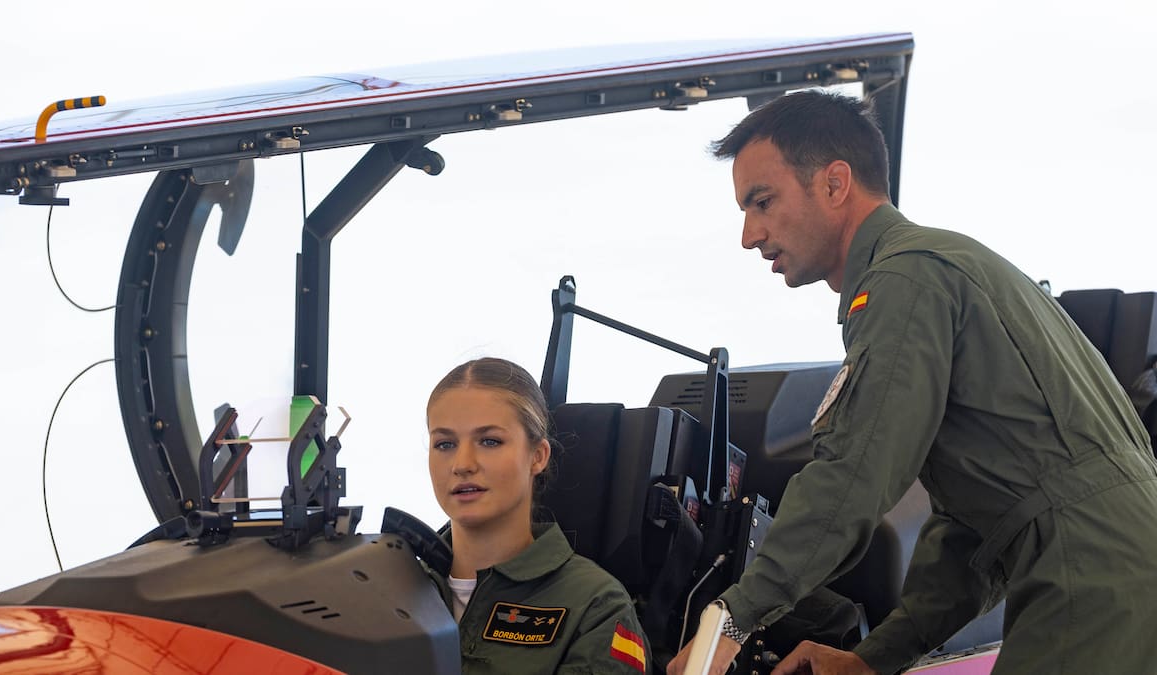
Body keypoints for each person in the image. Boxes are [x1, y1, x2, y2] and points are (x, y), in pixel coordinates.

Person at [667, 89, 1157, 675]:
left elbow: (854, 474)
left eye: (763, 202)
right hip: (1115, 570)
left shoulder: (905, 280)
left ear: (835, 183)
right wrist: (874, 659)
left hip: (1091, 576)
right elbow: (973, 536)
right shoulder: (943, 267)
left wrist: (732, 616)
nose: (750, 234)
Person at [422, 357, 651, 673]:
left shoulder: (597, 608)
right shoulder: (393, 585)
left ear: (538, 456)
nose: (462, 464)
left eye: (490, 441)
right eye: (445, 444)